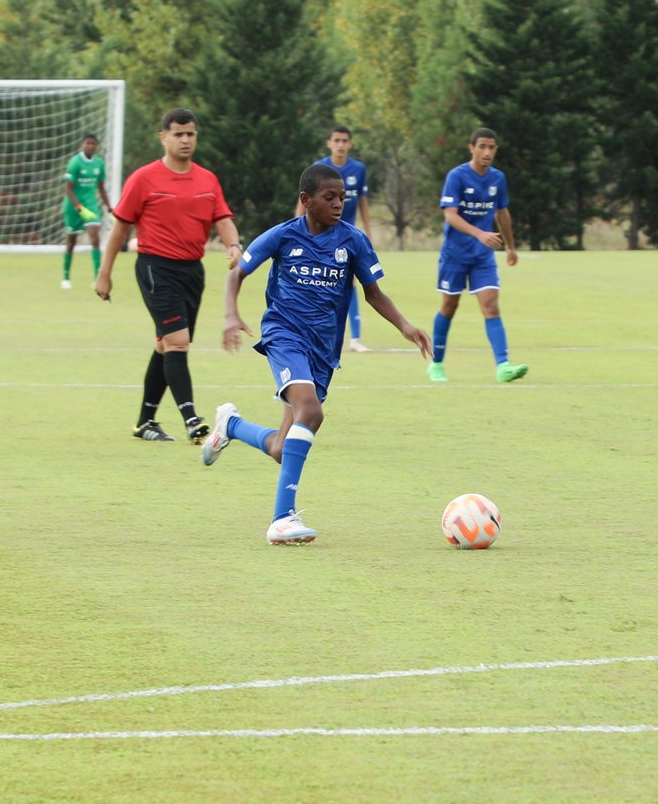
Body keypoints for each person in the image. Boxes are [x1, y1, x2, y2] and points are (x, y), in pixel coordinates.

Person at [205, 163, 431, 544]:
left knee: (282, 447)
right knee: (310, 412)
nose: (339, 204)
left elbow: (373, 292)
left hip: (324, 349)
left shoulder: (353, 241)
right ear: (306, 201)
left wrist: (404, 326)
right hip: (284, 335)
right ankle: (282, 519)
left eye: (342, 197)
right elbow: (235, 275)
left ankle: (230, 425)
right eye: (330, 198)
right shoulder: (282, 236)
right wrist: (231, 314)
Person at [95, 107, 242, 444]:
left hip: (193, 270)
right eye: (178, 134)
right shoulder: (144, 178)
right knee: (178, 341)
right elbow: (120, 228)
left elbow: (222, 217)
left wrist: (234, 244)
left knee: (166, 345)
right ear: (163, 137)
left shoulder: (207, 179)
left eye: (190, 133)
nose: (185, 139)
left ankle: (145, 422)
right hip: (155, 267)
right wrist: (105, 274)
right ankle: (192, 420)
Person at [428, 127, 528, 384]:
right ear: (472, 148)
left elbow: (502, 213)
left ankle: (503, 365)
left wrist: (510, 246)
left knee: (491, 305)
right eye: (482, 146)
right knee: (449, 306)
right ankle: (436, 363)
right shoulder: (457, 176)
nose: (487, 152)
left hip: (483, 256)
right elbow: (450, 214)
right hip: (455, 254)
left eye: (491, 147)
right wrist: (479, 234)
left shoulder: (498, 178)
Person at [296, 125, 372, 352]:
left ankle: (355, 338)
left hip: (345, 237)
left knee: (350, 282)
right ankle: (309, 329)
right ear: (329, 143)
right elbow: (304, 201)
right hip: (318, 235)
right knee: (317, 279)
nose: (340, 144)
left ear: (350, 144)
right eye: (336, 140)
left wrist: (368, 231)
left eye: (344, 140)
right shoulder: (319, 168)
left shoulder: (358, 169)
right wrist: (298, 228)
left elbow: (362, 201)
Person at [61, 134, 114, 289]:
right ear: (82, 145)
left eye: (93, 144)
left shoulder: (98, 164)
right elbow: (68, 189)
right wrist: (78, 208)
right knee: (71, 241)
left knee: (94, 237)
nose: (90, 146)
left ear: (96, 146)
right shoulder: (75, 163)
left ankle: (98, 276)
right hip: (73, 207)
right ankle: (66, 276)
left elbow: (101, 188)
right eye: (87, 143)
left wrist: (109, 206)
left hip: (91, 206)